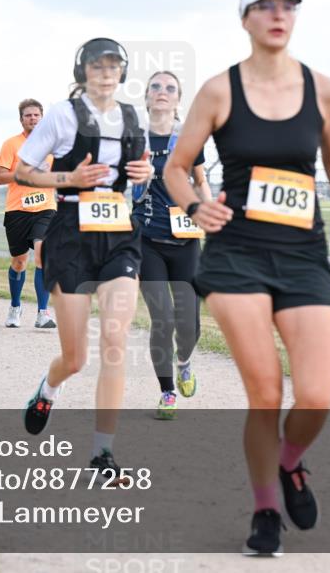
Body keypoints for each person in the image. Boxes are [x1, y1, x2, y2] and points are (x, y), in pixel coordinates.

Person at [164, 0, 330, 556]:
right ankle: (265, 511)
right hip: (236, 255)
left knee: (318, 394)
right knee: (265, 393)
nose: (279, 14)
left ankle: (290, 462)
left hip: (303, 254)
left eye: (288, 6)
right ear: (245, 18)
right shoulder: (219, 91)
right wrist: (197, 206)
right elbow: (177, 167)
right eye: (266, 6)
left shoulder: (322, 89)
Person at [14, 37, 152, 477]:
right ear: (83, 71)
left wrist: (145, 172)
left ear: (123, 72)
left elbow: (141, 174)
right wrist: (67, 177)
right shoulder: (61, 114)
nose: (106, 72)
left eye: (114, 65)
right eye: (98, 65)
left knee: (115, 340)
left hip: (117, 231)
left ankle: (102, 452)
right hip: (71, 230)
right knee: (76, 357)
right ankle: (48, 388)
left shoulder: (133, 116)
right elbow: (22, 169)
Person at [132, 71, 212, 420]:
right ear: (147, 97)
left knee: (189, 323)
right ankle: (166, 391)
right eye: (155, 87)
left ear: (178, 99)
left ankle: (184, 363)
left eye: (170, 88)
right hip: (147, 241)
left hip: (187, 241)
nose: (162, 93)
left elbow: (201, 181)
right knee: (161, 319)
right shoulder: (134, 140)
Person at [0, 99, 59, 328]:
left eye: (36, 115)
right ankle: (15, 306)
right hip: (17, 210)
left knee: (43, 255)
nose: (32, 118)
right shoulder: (11, 145)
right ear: (21, 119)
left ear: (42, 118)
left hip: (45, 208)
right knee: (19, 262)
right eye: (28, 115)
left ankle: (43, 313)